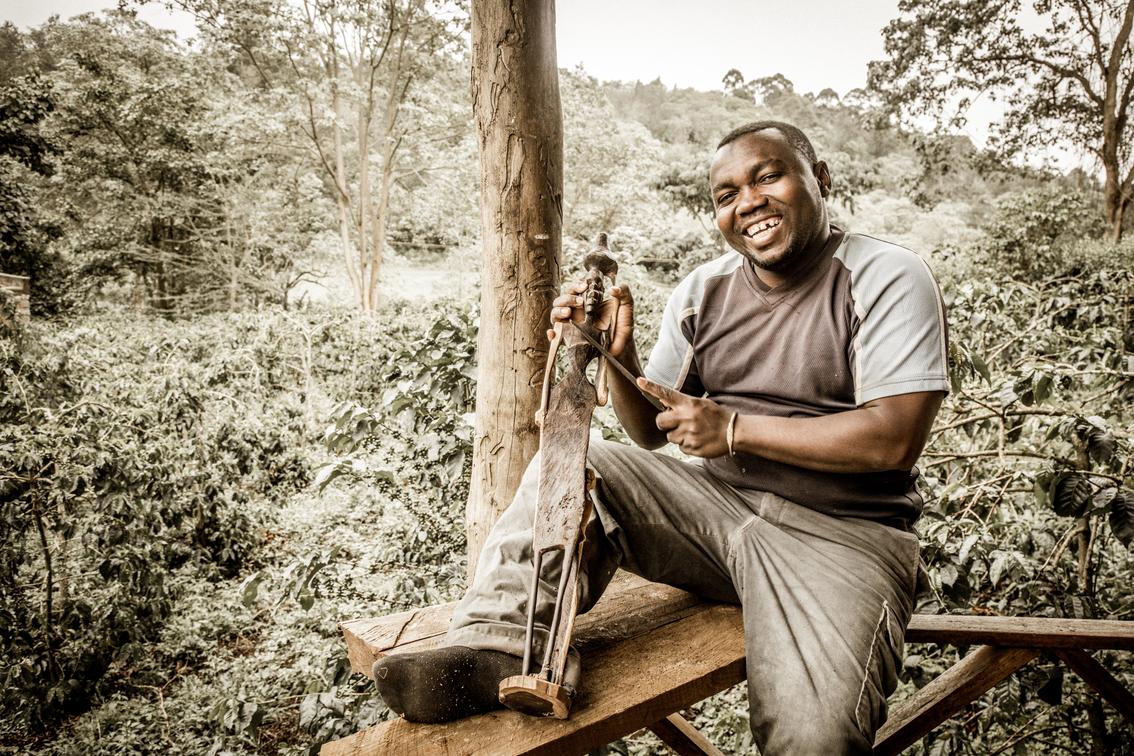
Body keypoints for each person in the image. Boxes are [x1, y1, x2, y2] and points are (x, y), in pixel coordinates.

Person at [373, 120, 949, 754]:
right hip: (717, 515)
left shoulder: (887, 274)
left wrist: (733, 429)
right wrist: (614, 357)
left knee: (817, 740)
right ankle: (501, 646)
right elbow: (650, 432)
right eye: (726, 195)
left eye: (768, 177)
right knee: (580, 463)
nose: (748, 203)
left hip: (845, 538)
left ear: (821, 180)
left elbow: (892, 439)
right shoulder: (703, 291)